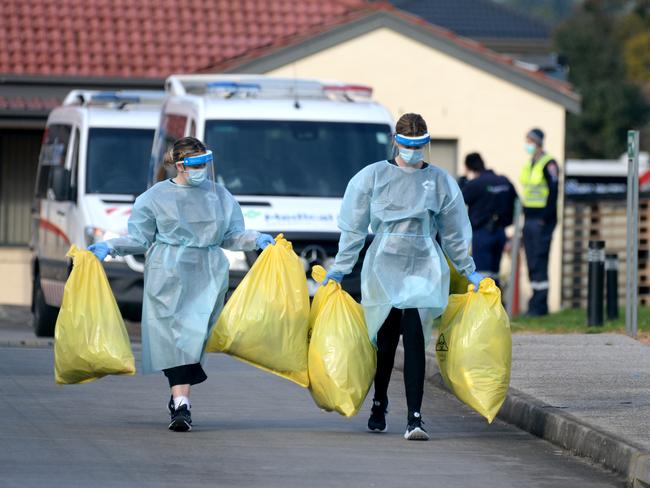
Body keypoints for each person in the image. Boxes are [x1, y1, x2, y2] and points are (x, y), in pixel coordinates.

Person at [88, 137, 275, 432]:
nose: (202, 169)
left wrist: (256, 239)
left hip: (208, 274)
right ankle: (181, 403)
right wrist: (110, 247)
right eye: (196, 163)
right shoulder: (154, 198)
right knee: (174, 339)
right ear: (180, 166)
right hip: (168, 274)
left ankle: (179, 397)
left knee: (194, 338)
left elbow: (231, 234)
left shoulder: (219, 196)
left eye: (205, 163)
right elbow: (139, 239)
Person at [323, 113, 484, 441]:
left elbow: (454, 232)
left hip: (422, 267)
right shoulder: (373, 176)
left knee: (413, 340)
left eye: (419, 145)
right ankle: (379, 402)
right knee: (385, 342)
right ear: (396, 141)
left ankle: (415, 417)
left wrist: (469, 270)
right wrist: (340, 268)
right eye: (408, 144)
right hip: (383, 268)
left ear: (426, 143)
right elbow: (353, 227)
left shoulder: (439, 181)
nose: (413, 151)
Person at [461, 152, 517, 287]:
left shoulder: (475, 184)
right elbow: (516, 202)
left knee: (481, 275)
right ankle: (496, 304)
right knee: (494, 273)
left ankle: (485, 307)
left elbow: (458, 198)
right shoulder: (504, 181)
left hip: (482, 234)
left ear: (469, 167)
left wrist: (462, 179)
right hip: (500, 232)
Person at [520, 128, 559, 316]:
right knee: (532, 262)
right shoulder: (531, 163)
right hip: (529, 219)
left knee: (539, 261)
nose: (527, 145)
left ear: (537, 142)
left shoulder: (548, 163)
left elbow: (554, 192)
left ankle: (540, 306)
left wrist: (545, 219)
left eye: (529, 141)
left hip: (541, 221)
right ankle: (535, 303)